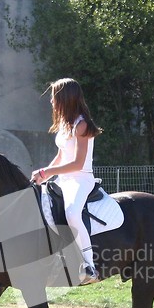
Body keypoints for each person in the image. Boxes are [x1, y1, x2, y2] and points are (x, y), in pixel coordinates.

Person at [31, 78, 102, 285]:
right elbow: (61, 156)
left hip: (81, 179)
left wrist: (48, 170)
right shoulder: (64, 124)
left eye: (54, 97)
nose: (51, 102)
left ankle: (90, 267)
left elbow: (78, 163)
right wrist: (44, 175)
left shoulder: (82, 125)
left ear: (65, 98)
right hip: (64, 179)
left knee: (71, 213)